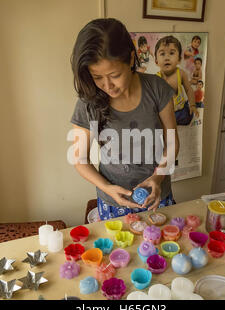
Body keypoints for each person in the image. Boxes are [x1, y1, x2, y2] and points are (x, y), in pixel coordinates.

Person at [70, 18, 179, 221]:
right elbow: (79, 159)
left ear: (130, 59)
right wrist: (108, 188)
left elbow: (172, 142)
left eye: (114, 75)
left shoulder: (156, 88)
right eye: (97, 77)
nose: (107, 85)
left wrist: (158, 177)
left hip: (157, 196)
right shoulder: (88, 102)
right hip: (113, 201)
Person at [154, 35, 198, 126]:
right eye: (162, 54)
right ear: (156, 61)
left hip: (180, 109)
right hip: (165, 113)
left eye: (171, 53)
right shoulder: (156, 79)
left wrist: (193, 105)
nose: (167, 57)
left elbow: (189, 89)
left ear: (179, 60)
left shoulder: (181, 73)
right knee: (164, 126)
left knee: (187, 117)